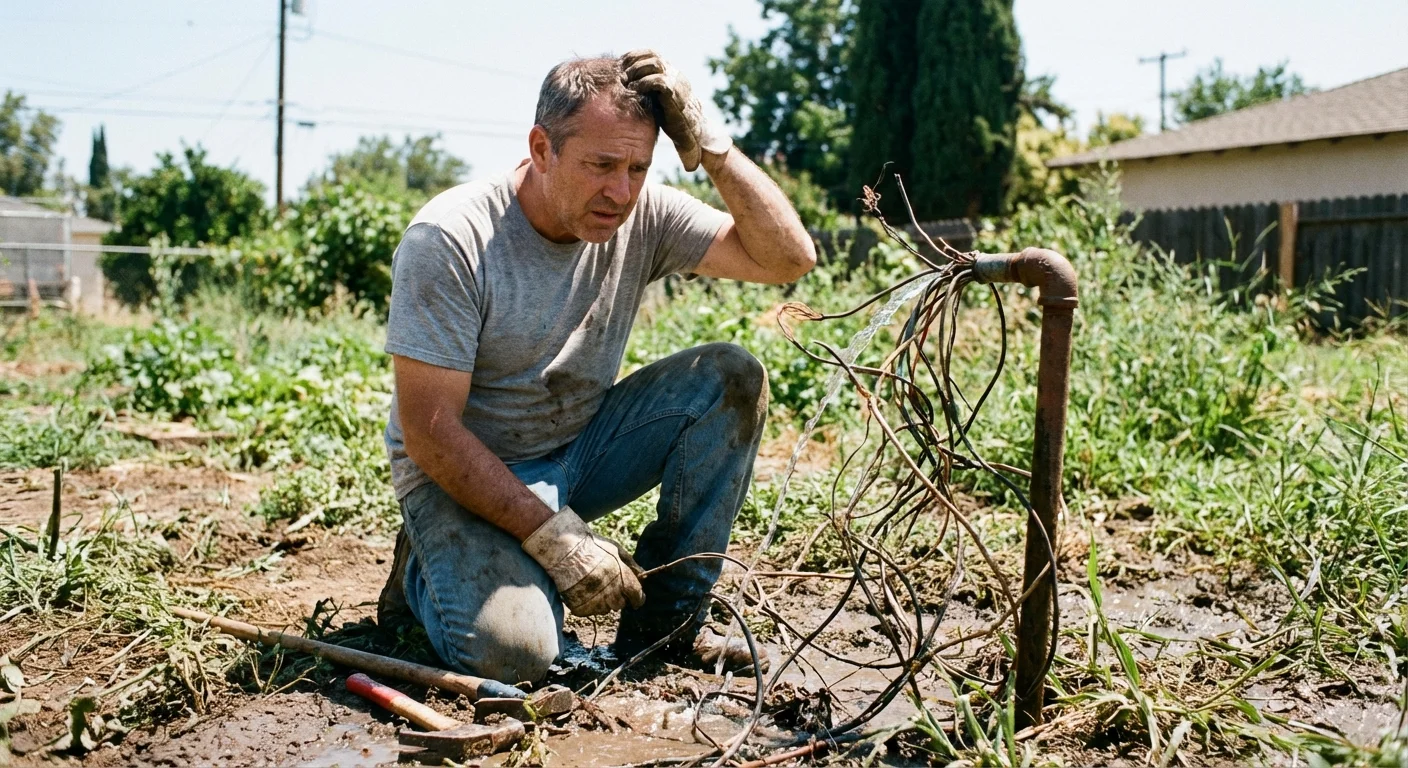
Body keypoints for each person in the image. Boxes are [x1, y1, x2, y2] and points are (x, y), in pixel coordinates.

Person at [377, 49, 816, 686]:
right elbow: (431, 431)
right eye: (602, 165)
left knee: (729, 377)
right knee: (518, 655)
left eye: (638, 167)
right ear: (541, 147)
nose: (621, 190)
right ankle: (427, 565)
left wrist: (713, 146)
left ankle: (667, 626)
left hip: (579, 448)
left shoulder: (644, 212)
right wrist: (552, 538)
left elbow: (788, 259)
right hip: (464, 473)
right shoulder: (452, 237)